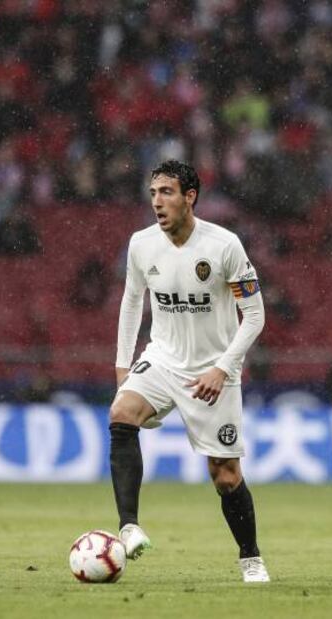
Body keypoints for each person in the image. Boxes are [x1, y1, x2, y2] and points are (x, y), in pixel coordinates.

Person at [110, 160, 269, 583]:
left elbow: (254, 316)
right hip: (162, 358)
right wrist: (123, 365)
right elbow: (131, 302)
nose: (157, 202)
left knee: (226, 476)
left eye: (166, 192)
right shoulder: (142, 245)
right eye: (152, 193)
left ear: (189, 197)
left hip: (213, 370)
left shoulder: (224, 246)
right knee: (121, 414)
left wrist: (223, 368)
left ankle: (250, 557)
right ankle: (129, 527)